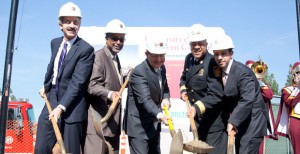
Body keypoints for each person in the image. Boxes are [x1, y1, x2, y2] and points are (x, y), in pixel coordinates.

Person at [35, 2, 95, 154]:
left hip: (72, 106)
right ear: (60, 24)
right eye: (68, 21)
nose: (72, 25)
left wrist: (61, 107)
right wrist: (47, 86)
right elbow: (54, 69)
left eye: (76, 22)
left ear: (79, 25)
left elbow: (77, 82)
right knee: (41, 148)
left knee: (69, 151)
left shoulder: (86, 49)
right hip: (52, 98)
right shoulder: (55, 43)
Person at [212, 34, 268, 154]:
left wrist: (233, 121)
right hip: (242, 121)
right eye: (216, 54)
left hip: (253, 121)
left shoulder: (243, 72)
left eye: (223, 53)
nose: (219, 57)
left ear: (231, 53)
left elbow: (247, 99)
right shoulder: (220, 71)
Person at [179, 24, 227, 154]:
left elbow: (216, 94)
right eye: (193, 43)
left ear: (206, 44)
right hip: (197, 123)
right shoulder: (189, 59)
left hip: (213, 124)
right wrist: (183, 90)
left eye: (200, 43)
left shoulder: (213, 62)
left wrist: (196, 108)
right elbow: (184, 79)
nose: (196, 46)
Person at [85, 19, 127, 154]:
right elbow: (92, 85)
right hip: (99, 124)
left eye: (122, 39)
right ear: (106, 38)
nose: (118, 42)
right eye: (114, 38)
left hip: (113, 126)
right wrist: (110, 94)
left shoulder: (115, 59)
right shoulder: (99, 56)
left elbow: (112, 81)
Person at [123, 36, 171, 154]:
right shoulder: (139, 72)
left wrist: (166, 98)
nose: (159, 59)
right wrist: (160, 115)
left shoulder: (162, 68)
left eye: (162, 55)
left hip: (153, 125)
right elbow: (145, 99)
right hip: (139, 127)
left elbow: (164, 88)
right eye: (155, 55)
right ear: (146, 53)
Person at [245, 60, 276, 154]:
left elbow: (269, 95)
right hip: (246, 121)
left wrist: (258, 81)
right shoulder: (243, 84)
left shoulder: (261, 85)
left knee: (259, 150)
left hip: (259, 123)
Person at [274, 62, 300, 154]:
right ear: (294, 75)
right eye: (299, 73)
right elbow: (289, 103)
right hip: (296, 121)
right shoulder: (287, 90)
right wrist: (299, 87)